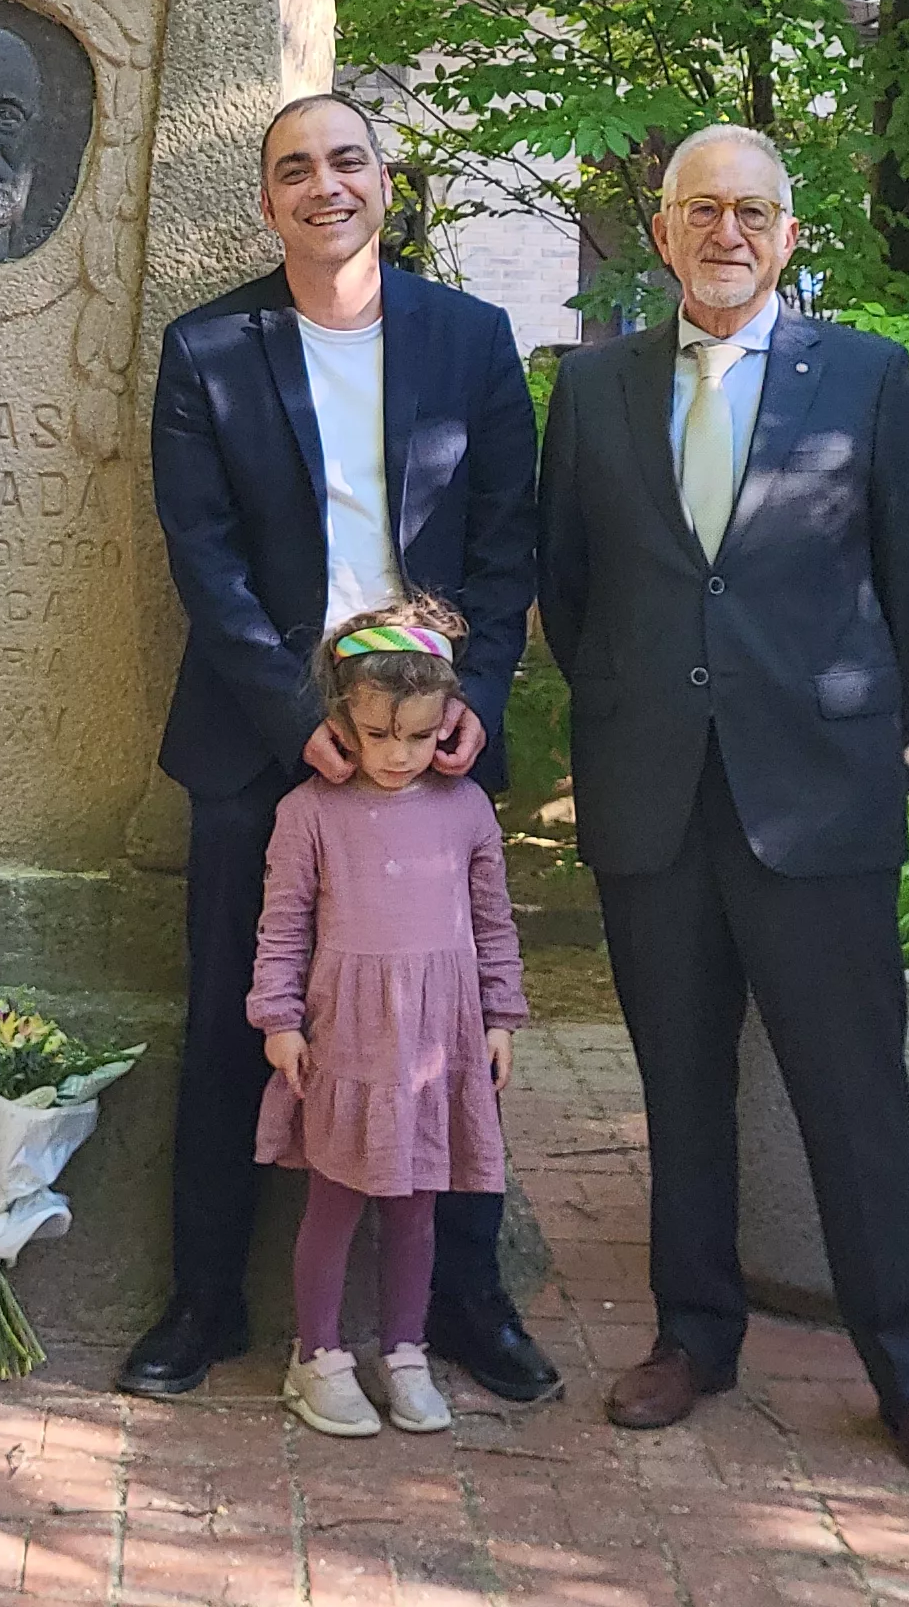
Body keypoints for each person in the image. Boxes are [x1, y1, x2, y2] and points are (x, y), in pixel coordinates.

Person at [536, 123, 909, 1486]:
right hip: (654, 799)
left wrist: (832, 719)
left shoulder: (866, 377)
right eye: (699, 209)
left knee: (855, 1098)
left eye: (751, 211)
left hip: (816, 803)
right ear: (661, 234)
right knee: (680, 1088)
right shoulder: (593, 387)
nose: (724, 232)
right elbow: (571, 590)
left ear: (788, 236)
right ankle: (693, 1337)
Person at [122, 92, 557, 1405]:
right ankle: (206, 1299)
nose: (327, 184)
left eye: (349, 160)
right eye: (297, 168)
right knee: (233, 1016)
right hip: (260, 747)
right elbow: (204, 559)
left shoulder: (470, 341)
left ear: (383, 182)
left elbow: (506, 542)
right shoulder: (210, 348)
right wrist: (295, 714)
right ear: (268, 200)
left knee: (447, 1021)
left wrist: (476, 695)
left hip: (432, 742)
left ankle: (467, 1302)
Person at [248, 598, 530, 1440]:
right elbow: (283, 924)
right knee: (333, 1201)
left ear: (447, 721)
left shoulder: (468, 808)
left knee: (416, 1205)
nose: (399, 754)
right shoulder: (308, 813)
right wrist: (279, 1018)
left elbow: (494, 923)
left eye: (417, 735)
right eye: (378, 734)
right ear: (342, 718)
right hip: (348, 1038)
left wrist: (500, 1015)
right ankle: (317, 1355)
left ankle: (406, 1351)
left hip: (438, 1040)